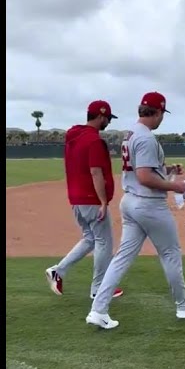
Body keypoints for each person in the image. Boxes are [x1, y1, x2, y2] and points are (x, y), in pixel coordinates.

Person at [85, 91, 185, 330]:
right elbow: (144, 176)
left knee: (122, 257)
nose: (162, 118)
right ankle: (183, 306)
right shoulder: (146, 138)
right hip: (149, 204)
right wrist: (176, 186)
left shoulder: (131, 133)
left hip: (130, 202)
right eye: (162, 113)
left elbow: (143, 169)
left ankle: (98, 310)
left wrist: (168, 169)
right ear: (158, 112)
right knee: (170, 253)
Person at [45, 100, 125, 301]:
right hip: (91, 199)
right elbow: (95, 172)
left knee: (90, 238)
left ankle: (58, 271)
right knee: (104, 242)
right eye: (107, 118)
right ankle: (99, 289)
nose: (108, 122)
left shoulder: (74, 136)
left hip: (76, 198)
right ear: (101, 116)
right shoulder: (94, 140)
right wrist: (103, 201)